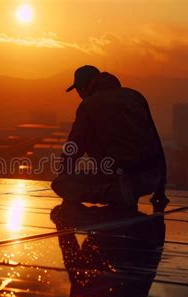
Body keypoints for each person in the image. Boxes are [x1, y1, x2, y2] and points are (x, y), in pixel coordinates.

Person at [51, 65, 168, 211]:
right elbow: (155, 142)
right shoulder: (135, 97)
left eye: (79, 91)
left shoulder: (89, 105)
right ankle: (123, 191)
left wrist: (64, 178)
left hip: (121, 179)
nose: (80, 95)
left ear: (83, 88)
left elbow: (73, 148)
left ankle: (115, 194)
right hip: (150, 179)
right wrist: (160, 189)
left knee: (59, 184)